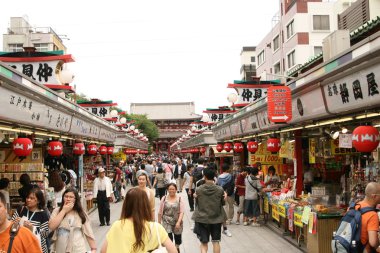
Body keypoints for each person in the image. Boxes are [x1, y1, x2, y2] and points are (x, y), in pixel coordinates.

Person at [101, 188, 177, 253]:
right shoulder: (156, 228)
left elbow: (103, 251)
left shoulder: (117, 225)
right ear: (145, 205)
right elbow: (174, 251)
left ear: (126, 205)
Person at [49, 188, 96, 253]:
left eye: (71, 197)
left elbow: (88, 231)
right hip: (61, 248)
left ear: (75, 199)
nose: (68, 199)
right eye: (66, 196)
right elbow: (51, 226)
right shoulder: (57, 211)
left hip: (78, 248)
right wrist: (64, 210)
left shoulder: (81, 213)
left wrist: (93, 248)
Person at [192, 168, 225, 253]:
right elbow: (222, 203)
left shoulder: (199, 189)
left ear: (204, 177)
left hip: (202, 219)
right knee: (216, 242)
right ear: (214, 177)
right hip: (216, 219)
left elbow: (197, 203)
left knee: (203, 243)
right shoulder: (220, 189)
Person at [12, 188, 50, 253]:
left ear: (38, 201)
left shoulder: (43, 214)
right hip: (21, 246)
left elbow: (46, 234)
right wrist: (15, 224)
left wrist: (33, 229)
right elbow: (11, 227)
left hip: (37, 248)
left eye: (32, 198)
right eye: (27, 197)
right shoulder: (21, 209)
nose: (28, 200)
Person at [158, 183, 185, 253]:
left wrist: (178, 222)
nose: (171, 190)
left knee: (178, 240)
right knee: (168, 239)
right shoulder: (164, 198)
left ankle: (176, 249)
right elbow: (160, 212)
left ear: (176, 190)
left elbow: (182, 211)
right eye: (170, 189)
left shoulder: (180, 199)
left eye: (173, 189)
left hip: (177, 221)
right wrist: (159, 224)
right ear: (167, 190)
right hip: (166, 221)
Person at [354, 182, 380, 252]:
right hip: (363, 249)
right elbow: (373, 242)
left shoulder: (354, 206)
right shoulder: (372, 214)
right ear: (374, 196)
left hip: (350, 247)